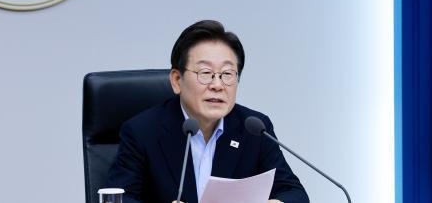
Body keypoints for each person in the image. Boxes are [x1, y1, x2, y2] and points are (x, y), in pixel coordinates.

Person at [107, 20, 309, 203]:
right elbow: (118, 198)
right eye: (205, 73)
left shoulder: (255, 129)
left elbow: (294, 193)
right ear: (177, 80)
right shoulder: (142, 131)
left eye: (227, 74)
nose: (217, 85)